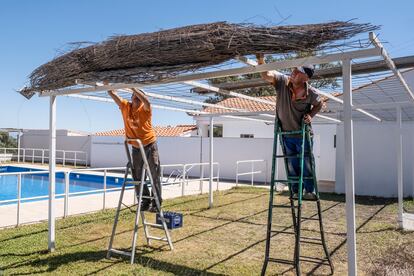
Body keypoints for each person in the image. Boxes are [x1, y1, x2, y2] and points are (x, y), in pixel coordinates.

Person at [257, 54, 323, 200]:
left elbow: (319, 104)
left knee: (306, 164)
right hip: (286, 135)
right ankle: (294, 191)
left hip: (303, 135)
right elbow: (266, 74)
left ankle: (309, 191)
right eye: (294, 68)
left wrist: (311, 115)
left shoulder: (311, 93)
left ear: (306, 78)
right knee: (292, 165)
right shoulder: (283, 82)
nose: (294, 71)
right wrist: (261, 60)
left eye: (299, 70)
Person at [107, 84, 162, 212]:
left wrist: (132, 87)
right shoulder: (126, 106)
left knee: (154, 173)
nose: (136, 98)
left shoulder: (146, 109)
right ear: (131, 97)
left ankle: (156, 202)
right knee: (137, 175)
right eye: (134, 96)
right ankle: (145, 200)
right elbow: (112, 94)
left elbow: (147, 101)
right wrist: (109, 87)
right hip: (136, 147)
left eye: (139, 96)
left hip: (149, 144)